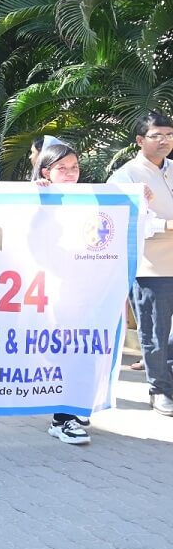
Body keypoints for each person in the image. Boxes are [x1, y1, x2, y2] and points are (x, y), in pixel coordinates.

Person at [108, 112, 173, 416]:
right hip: (151, 267)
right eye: (157, 135)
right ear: (139, 140)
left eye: (169, 135)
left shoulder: (172, 169)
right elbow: (127, 219)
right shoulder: (127, 175)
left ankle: (166, 380)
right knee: (154, 331)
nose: (165, 141)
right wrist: (169, 226)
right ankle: (158, 389)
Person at [27, 143, 93, 443]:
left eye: (74, 168)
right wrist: (37, 196)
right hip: (52, 288)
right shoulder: (38, 199)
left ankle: (76, 404)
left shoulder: (89, 199)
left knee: (85, 350)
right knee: (66, 350)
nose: (69, 174)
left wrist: (140, 201)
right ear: (46, 172)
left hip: (85, 289)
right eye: (61, 168)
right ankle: (61, 419)